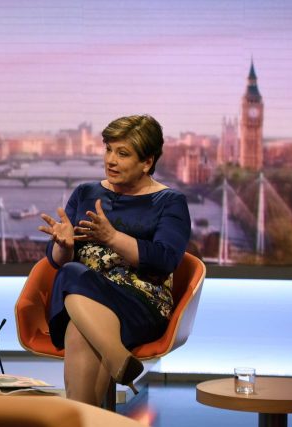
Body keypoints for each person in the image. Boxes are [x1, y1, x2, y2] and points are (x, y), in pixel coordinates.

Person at [38, 114, 191, 406]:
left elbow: (165, 259)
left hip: (140, 303)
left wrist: (112, 238)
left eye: (122, 154)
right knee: (71, 273)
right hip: (85, 296)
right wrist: (63, 244)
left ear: (147, 162)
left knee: (77, 316)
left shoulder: (169, 202)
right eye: (108, 149)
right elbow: (58, 260)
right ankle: (118, 360)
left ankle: (93, 396)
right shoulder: (85, 193)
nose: (111, 160)